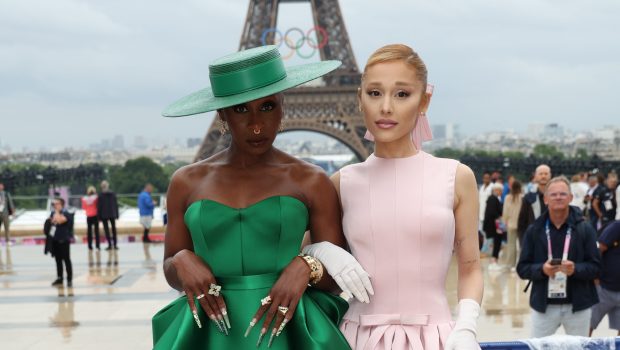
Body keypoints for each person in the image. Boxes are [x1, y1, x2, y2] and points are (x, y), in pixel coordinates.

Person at [152, 45, 362, 349]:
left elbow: (332, 283)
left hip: (287, 332)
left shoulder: (311, 180)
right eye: (241, 109)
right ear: (221, 113)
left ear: (283, 106)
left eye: (267, 107)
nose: (257, 124)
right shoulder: (185, 181)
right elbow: (172, 272)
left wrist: (307, 266)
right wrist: (181, 259)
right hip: (207, 334)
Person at [309, 44, 483, 349]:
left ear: (424, 101)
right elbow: (300, 264)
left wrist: (467, 326)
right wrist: (319, 249)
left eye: (402, 94)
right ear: (359, 99)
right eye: (375, 93)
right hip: (356, 339)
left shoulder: (457, 177)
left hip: (438, 339)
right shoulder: (341, 183)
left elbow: (471, 267)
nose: (386, 107)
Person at [517, 176, 600, 338]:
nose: (558, 197)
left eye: (563, 194)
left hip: (578, 305)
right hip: (544, 305)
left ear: (570, 197)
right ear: (545, 199)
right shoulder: (534, 230)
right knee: (538, 347)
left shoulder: (585, 228)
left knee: (579, 348)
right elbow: (522, 268)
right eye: (553, 194)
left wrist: (575, 269)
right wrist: (542, 269)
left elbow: (596, 267)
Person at [590, 220, 620, 336]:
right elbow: (598, 248)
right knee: (587, 325)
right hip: (604, 289)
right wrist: (595, 276)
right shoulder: (617, 227)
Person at [517, 164, 551, 246]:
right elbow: (522, 223)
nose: (543, 176)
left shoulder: (555, 196)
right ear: (535, 176)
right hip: (534, 241)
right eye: (541, 174)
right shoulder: (529, 198)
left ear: (550, 176)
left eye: (546, 174)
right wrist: (523, 242)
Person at [48, 198, 74, 287]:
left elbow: (60, 220)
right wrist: (55, 215)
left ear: (61, 204)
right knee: (58, 260)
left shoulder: (67, 213)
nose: (55, 205)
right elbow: (52, 222)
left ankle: (69, 279)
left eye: (56, 203)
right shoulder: (53, 213)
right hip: (55, 240)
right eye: (54, 204)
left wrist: (57, 213)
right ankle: (60, 277)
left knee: (66, 260)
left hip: (64, 240)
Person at [502, 180, 523, 270]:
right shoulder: (523, 197)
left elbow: (505, 212)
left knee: (511, 245)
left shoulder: (507, 198)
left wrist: (504, 221)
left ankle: (510, 264)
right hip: (521, 224)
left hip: (510, 224)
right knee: (522, 245)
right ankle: (522, 264)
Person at [485, 183, 505, 270]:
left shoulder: (493, 198)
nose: (501, 192)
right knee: (497, 242)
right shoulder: (493, 199)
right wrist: (500, 216)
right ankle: (494, 261)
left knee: (497, 243)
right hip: (495, 225)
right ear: (497, 190)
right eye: (501, 190)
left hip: (493, 224)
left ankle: (494, 260)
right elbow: (493, 212)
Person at [97, 181, 119, 250]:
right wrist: (117, 214)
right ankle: (115, 244)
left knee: (107, 230)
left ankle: (109, 244)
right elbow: (116, 205)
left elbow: (99, 206)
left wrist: (99, 216)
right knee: (113, 229)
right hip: (112, 213)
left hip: (104, 214)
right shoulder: (113, 194)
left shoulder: (100, 195)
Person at [81, 186, 100, 250]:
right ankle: (97, 246)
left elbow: (83, 207)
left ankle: (90, 246)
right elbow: (98, 206)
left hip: (88, 216)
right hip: (95, 215)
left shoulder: (84, 199)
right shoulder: (96, 198)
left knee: (89, 232)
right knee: (96, 231)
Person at [479, 171, 493, 253]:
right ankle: (484, 249)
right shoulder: (482, 187)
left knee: (488, 232)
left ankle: (487, 250)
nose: (486, 179)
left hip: (488, 213)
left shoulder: (492, 187)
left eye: (487, 178)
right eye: (484, 178)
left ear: (490, 178)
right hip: (481, 212)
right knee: (482, 231)